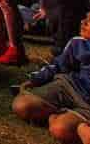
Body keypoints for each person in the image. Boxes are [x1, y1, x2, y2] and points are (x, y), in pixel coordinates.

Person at [12, 11, 90, 143]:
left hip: (87, 105)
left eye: (89, 22)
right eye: (86, 18)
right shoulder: (79, 43)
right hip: (69, 87)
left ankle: (59, 116)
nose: (83, 22)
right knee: (21, 106)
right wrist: (35, 79)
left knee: (60, 129)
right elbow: (57, 65)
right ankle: (62, 111)